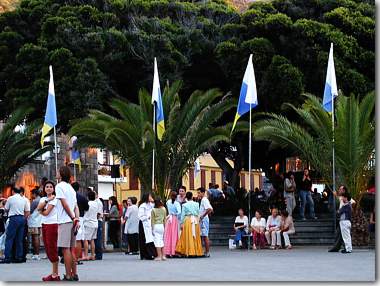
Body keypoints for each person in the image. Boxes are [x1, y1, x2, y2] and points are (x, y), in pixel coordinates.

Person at [55, 166, 80, 281]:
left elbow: (65, 204)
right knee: (71, 249)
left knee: (65, 249)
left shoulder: (59, 186)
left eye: (58, 171)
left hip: (65, 221)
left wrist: (72, 217)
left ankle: (68, 275)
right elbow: (76, 206)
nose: (56, 173)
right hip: (72, 221)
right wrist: (76, 219)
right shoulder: (71, 188)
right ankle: (74, 274)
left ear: (61, 174)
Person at [0, 187, 30, 264]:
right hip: (22, 218)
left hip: (13, 218)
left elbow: (6, 208)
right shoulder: (24, 199)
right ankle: (19, 257)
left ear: (13, 191)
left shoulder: (10, 198)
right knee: (19, 239)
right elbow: (27, 211)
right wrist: (23, 219)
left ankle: (7, 257)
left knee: (9, 238)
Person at [37, 181, 60, 281]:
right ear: (44, 188)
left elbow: (46, 212)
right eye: (47, 187)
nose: (49, 188)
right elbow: (38, 208)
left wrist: (40, 209)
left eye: (51, 187)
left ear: (54, 189)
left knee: (52, 248)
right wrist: (46, 201)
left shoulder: (54, 199)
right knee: (47, 247)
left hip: (52, 224)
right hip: (44, 224)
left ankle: (55, 274)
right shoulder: (43, 199)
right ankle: (54, 273)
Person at [328, 185, 356, 252]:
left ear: (344, 191)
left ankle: (346, 248)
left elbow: (354, 202)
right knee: (342, 234)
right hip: (342, 219)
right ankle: (344, 248)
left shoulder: (347, 201)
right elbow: (338, 198)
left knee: (344, 235)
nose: (339, 190)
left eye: (341, 189)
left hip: (345, 219)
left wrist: (350, 208)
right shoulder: (342, 198)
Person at [176, 192, 203, 257]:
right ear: (192, 197)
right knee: (195, 236)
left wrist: (181, 224)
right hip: (195, 220)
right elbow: (198, 213)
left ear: (186, 197)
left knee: (188, 236)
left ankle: (188, 251)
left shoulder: (184, 205)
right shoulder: (196, 204)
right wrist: (198, 220)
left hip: (188, 220)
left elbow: (182, 215)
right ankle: (196, 251)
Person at [72, 182, 89, 263]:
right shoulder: (82, 197)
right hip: (80, 218)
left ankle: (69, 257)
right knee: (78, 240)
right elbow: (87, 208)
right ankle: (77, 258)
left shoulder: (69, 196)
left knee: (70, 240)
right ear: (78, 188)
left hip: (69, 218)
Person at [138, 193, 157, 260]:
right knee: (144, 239)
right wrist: (147, 217)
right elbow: (140, 216)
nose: (151, 197)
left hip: (150, 223)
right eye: (150, 196)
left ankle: (151, 253)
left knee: (151, 238)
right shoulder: (142, 205)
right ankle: (145, 254)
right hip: (144, 223)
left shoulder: (151, 204)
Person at [164, 191, 181, 257]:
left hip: (169, 218)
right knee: (174, 234)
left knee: (168, 235)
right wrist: (176, 215)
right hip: (174, 218)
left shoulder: (168, 202)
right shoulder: (177, 203)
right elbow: (179, 212)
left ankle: (167, 251)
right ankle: (174, 251)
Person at [83, 191, 98, 260]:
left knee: (86, 239)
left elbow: (85, 211)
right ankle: (92, 255)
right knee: (92, 240)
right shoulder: (96, 204)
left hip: (88, 223)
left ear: (88, 197)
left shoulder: (88, 203)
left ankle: (86, 255)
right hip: (95, 222)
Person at [28, 188, 43, 260]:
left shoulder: (35, 201)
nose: (31, 195)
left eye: (32, 194)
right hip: (39, 221)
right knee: (37, 237)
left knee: (35, 238)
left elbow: (30, 211)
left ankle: (36, 254)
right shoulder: (41, 200)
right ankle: (37, 254)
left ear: (34, 194)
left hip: (34, 221)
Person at [198, 187, 213, 257]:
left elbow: (209, 209)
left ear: (203, 193)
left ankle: (207, 252)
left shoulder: (204, 200)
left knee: (205, 236)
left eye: (199, 193)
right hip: (202, 220)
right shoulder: (202, 200)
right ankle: (202, 251)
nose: (198, 194)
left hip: (204, 220)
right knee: (202, 235)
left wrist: (202, 216)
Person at [151, 197, 167, 261]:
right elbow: (165, 219)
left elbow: (152, 220)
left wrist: (152, 229)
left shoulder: (153, 210)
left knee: (157, 242)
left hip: (156, 226)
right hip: (162, 226)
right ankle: (163, 255)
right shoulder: (164, 209)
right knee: (161, 241)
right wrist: (165, 227)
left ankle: (159, 256)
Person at [94, 191, 103, 260]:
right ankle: (97, 253)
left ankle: (99, 254)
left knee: (98, 238)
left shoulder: (98, 203)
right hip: (96, 220)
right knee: (96, 238)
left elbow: (98, 213)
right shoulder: (95, 202)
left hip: (98, 221)